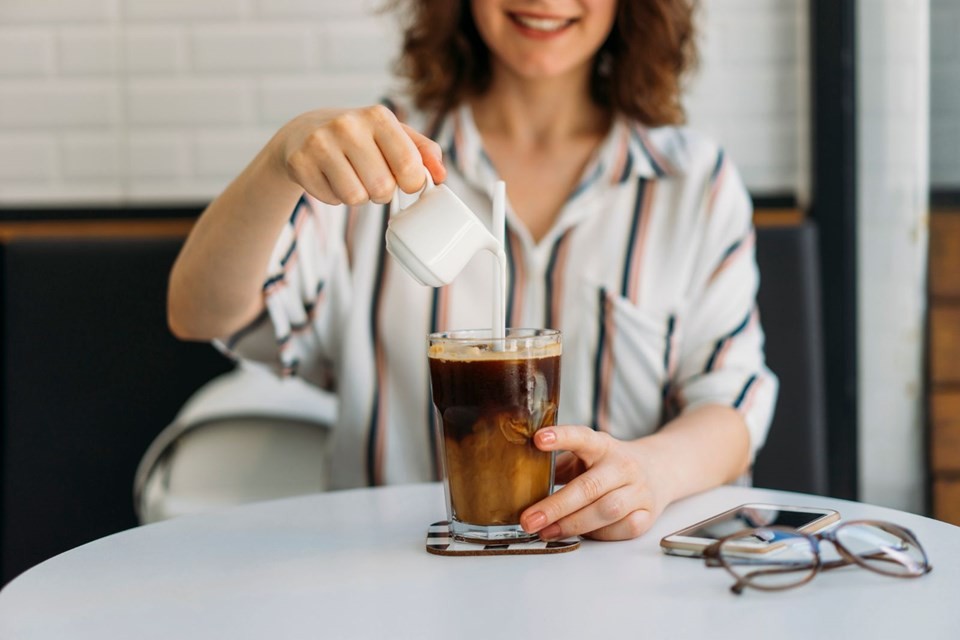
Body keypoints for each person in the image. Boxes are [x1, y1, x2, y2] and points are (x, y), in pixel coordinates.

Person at [168, 0, 778, 541]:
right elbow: (199, 314)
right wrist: (279, 164)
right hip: (388, 585)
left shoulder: (692, 183)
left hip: (617, 588)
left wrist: (654, 471)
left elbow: (731, 402)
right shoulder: (380, 158)